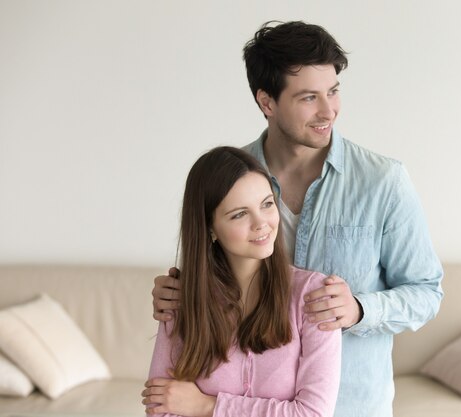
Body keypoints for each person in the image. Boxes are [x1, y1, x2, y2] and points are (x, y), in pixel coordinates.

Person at [148, 21, 443, 417]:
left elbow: (427, 292)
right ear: (267, 102)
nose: (328, 111)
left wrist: (359, 309)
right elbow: (210, 268)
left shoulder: (383, 182)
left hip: (351, 406)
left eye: (333, 91)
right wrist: (179, 290)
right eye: (308, 97)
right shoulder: (231, 180)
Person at [142, 146, 341, 416]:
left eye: (267, 204)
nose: (262, 223)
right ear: (210, 227)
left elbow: (313, 413)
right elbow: (162, 407)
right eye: (239, 214)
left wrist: (207, 406)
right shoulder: (179, 297)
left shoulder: (313, 297)